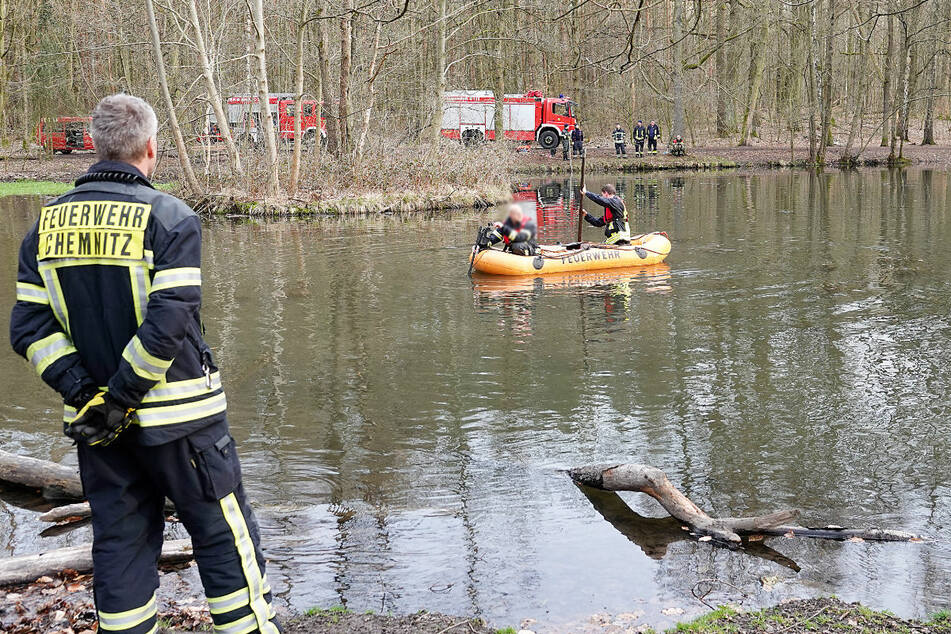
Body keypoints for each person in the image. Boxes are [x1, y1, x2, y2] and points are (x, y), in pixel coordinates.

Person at [9, 94, 281, 634]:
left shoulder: (44, 228)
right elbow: (169, 321)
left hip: (101, 431)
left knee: (121, 545)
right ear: (151, 146)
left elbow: (29, 331)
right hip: (184, 425)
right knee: (224, 537)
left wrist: (88, 394)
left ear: (93, 143)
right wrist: (120, 399)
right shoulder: (171, 218)